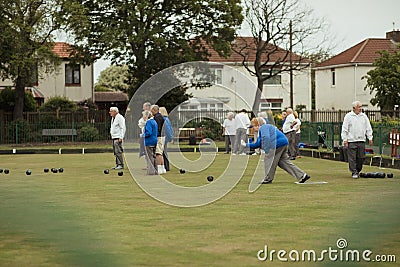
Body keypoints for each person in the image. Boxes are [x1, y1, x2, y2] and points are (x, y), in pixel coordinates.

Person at [242, 117, 310, 184]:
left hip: (276, 144)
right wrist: (246, 145)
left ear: (258, 125)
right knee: (283, 162)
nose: (253, 129)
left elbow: (266, 137)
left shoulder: (264, 127)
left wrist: (267, 150)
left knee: (268, 160)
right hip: (283, 143)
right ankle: (302, 175)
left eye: (253, 126)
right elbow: (257, 144)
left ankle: (268, 179)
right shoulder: (265, 129)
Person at [341, 101, 373, 178]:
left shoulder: (364, 116)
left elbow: (368, 127)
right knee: (352, 158)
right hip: (351, 140)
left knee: (361, 157)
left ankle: (358, 170)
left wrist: (370, 137)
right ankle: (354, 172)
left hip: (361, 140)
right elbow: (345, 128)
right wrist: (345, 139)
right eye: (359, 107)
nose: (360, 108)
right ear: (354, 108)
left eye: (361, 106)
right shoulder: (348, 116)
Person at [151, 105, 166, 174]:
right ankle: (163, 168)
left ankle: (159, 168)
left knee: (158, 153)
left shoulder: (157, 117)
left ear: (154, 110)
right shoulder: (161, 116)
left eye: (152, 111)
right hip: (162, 136)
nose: (151, 112)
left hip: (159, 137)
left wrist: (154, 135)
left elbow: (157, 128)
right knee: (160, 153)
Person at [159, 107, 173, 171]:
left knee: (163, 153)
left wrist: (170, 138)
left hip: (164, 138)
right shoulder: (166, 119)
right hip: (166, 138)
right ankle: (166, 166)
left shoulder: (164, 119)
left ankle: (166, 166)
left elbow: (168, 129)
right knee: (164, 152)